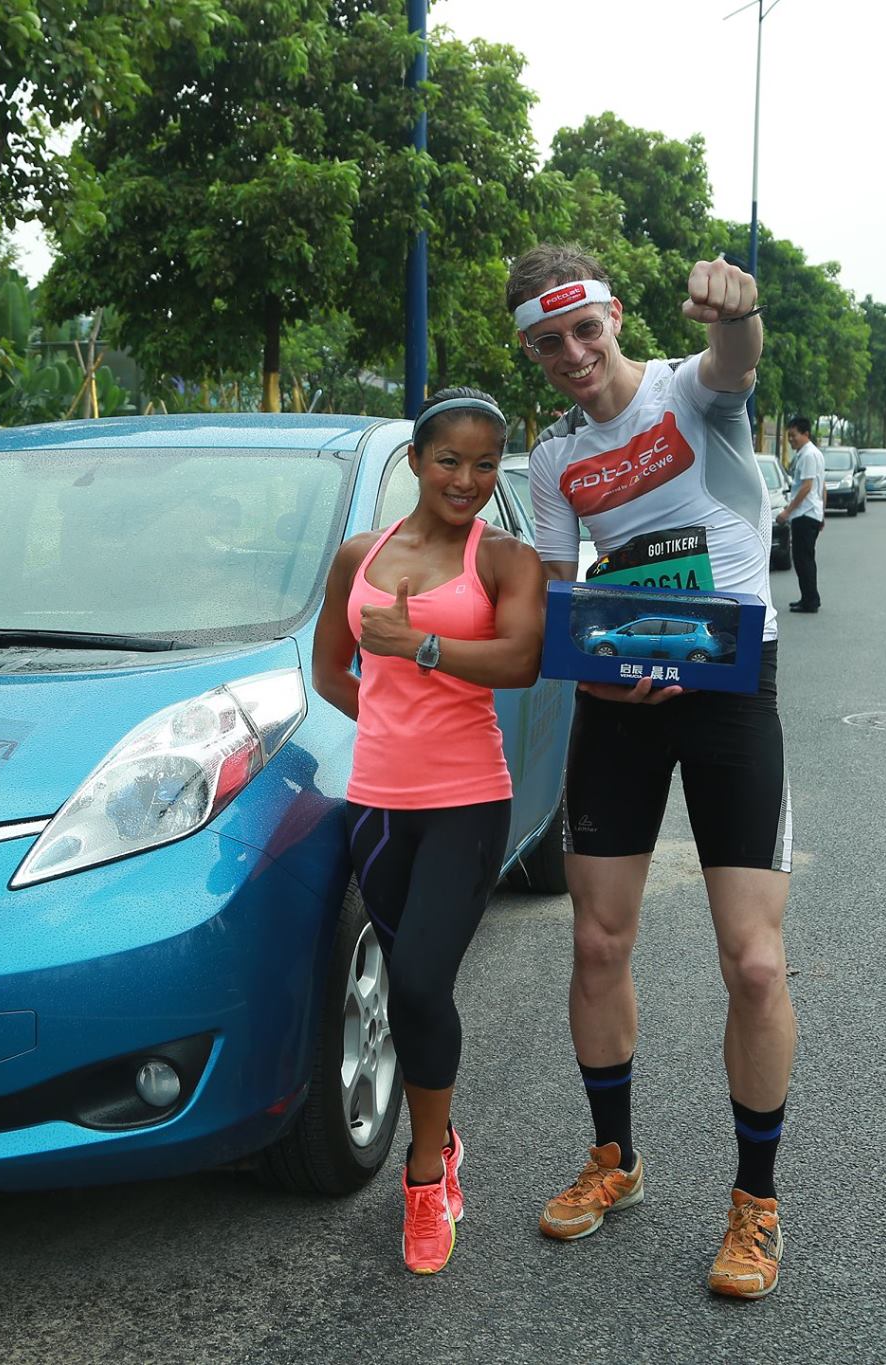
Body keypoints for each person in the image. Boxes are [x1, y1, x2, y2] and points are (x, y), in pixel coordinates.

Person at [509, 245, 796, 1300]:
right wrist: (591, 668)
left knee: (753, 963)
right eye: (549, 343)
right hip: (619, 699)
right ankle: (613, 1160)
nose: (573, 354)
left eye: (584, 329)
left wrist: (738, 308)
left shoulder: (689, 390)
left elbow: (737, 358)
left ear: (616, 317)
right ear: (534, 354)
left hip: (729, 692)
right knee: (596, 940)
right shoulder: (553, 458)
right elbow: (557, 599)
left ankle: (755, 1203)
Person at [311, 386, 545, 1276]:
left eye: (486, 464)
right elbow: (331, 669)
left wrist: (421, 648)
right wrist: (386, 721)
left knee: (416, 979)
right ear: (414, 461)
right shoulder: (359, 558)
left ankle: (423, 1173)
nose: (467, 479)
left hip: (467, 801)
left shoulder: (506, 559)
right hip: (377, 804)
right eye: (449, 460)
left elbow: (520, 660)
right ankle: (442, 1139)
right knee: (412, 996)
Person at [779, 418, 825, 613]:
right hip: (812, 512)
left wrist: (787, 511)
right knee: (805, 558)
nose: (791, 439)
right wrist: (822, 513)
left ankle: (810, 600)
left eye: (793, 435)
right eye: (789, 436)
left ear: (806, 434)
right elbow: (822, 487)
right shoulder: (814, 454)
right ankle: (808, 597)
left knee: (803, 559)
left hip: (805, 514)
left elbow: (807, 487)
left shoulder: (808, 455)